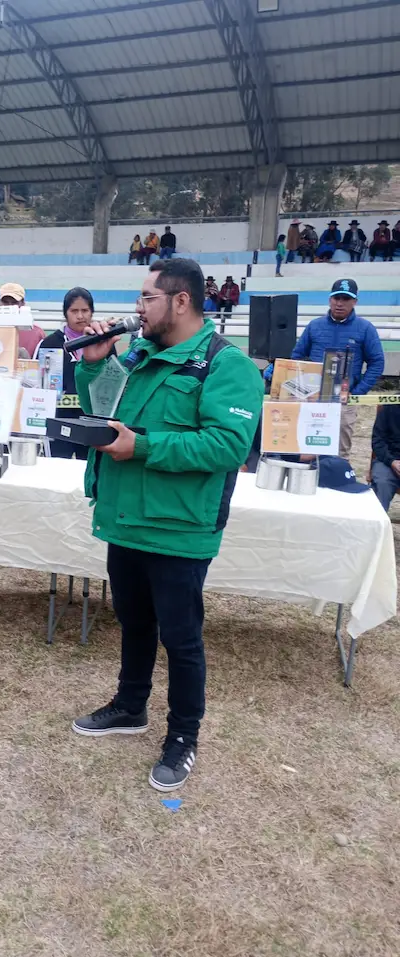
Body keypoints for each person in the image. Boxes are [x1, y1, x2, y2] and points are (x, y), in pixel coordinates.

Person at [71, 258, 263, 792]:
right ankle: (131, 705)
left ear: (181, 301)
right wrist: (92, 364)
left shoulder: (228, 366)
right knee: (134, 622)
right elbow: (104, 412)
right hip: (126, 518)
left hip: (179, 528)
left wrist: (145, 447)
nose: (138, 307)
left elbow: (228, 445)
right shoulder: (139, 355)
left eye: (147, 297)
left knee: (181, 638)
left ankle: (183, 735)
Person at [291, 278, 384, 459]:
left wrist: (357, 392)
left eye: (346, 299)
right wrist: (304, 387)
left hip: (344, 400)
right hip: (313, 398)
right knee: (306, 445)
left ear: (355, 301)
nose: (340, 303)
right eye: (336, 298)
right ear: (329, 299)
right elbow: (297, 356)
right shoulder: (314, 326)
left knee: (340, 451)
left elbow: (377, 363)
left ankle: (338, 481)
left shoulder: (365, 328)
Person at [38, 287, 98, 460]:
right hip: (58, 421)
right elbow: (42, 386)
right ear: (65, 313)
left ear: (92, 312)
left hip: (91, 423)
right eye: (74, 311)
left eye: (85, 310)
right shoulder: (50, 343)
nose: (80, 316)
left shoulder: (103, 342)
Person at [0, 282, 45, 357]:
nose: (10, 306)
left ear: (23, 303)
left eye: (14, 303)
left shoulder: (37, 333)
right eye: (6, 302)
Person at [371, 406, 400, 511]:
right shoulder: (390, 404)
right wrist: (391, 461)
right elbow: (378, 440)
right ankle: (377, 524)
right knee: (382, 483)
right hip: (388, 460)